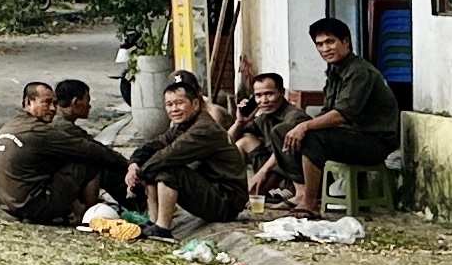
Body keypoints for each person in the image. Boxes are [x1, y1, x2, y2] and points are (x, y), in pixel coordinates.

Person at [266, 17, 402, 219]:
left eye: (330, 42)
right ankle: (301, 193)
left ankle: (310, 204)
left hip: (374, 141)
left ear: (345, 42)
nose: (325, 49)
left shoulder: (359, 72)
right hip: (349, 135)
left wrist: (305, 127)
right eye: (319, 44)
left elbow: (342, 114)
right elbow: (328, 110)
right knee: (281, 131)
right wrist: (299, 126)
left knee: (312, 137)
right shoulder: (335, 70)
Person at [123, 76, 250, 234]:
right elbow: (154, 145)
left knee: (167, 168)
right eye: (169, 105)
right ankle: (154, 221)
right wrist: (134, 164)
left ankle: (162, 227)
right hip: (211, 190)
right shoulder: (182, 125)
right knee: (154, 162)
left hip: (226, 202)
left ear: (195, 104)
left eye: (179, 103)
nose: (174, 109)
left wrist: (138, 177)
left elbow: (169, 155)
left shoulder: (203, 129)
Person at [0, 78, 123, 227]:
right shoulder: (39, 132)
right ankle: (88, 215)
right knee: (88, 159)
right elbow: (89, 150)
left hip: (7, 204)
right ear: (28, 102)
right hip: (32, 206)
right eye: (46, 103)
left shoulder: (11, 125)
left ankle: (74, 208)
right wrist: (128, 165)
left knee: (62, 160)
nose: (53, 109)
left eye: (55, 103)